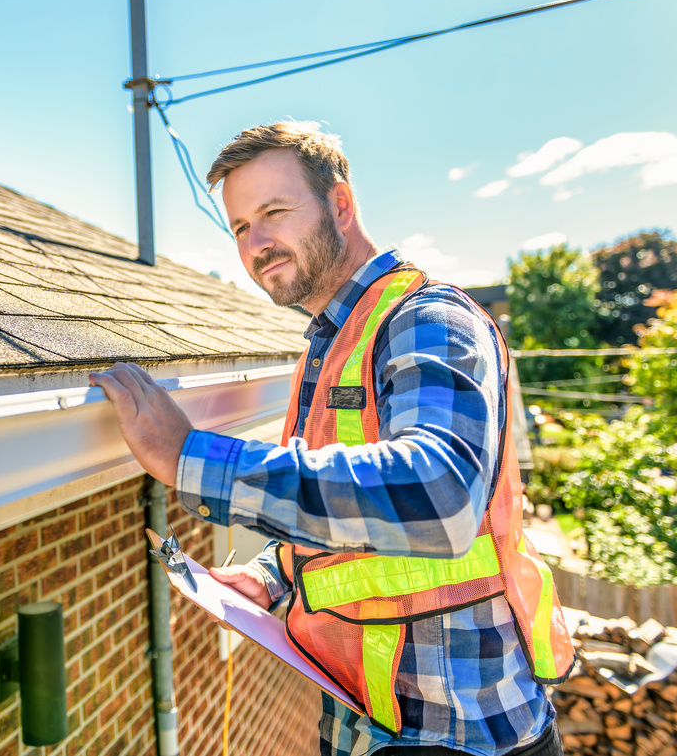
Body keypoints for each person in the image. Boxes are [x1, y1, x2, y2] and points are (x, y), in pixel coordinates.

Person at [90, 121, 573, 756]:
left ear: (340, 205)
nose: (256, 242)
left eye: (274, 212)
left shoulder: (425, 320)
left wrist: (189, 459)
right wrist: (274, 574)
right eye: (239, 227)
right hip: (368, 726)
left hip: (461, 734)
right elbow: (358, 522)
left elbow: (440, 496)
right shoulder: (331, 344)